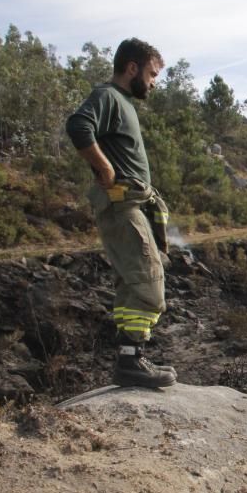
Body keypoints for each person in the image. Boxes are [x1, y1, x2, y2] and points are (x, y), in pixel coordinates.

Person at [66, 38, 176, 388]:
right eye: (152, 73)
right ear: (132, 68)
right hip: (121, 204)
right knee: (147, 279)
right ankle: (131, 362)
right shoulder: (108, 96)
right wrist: (105, 169)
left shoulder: (123, 102)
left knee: (135, 279)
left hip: (131, 205)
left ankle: (131, 359)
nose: (155, 82)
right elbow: (78, 126)